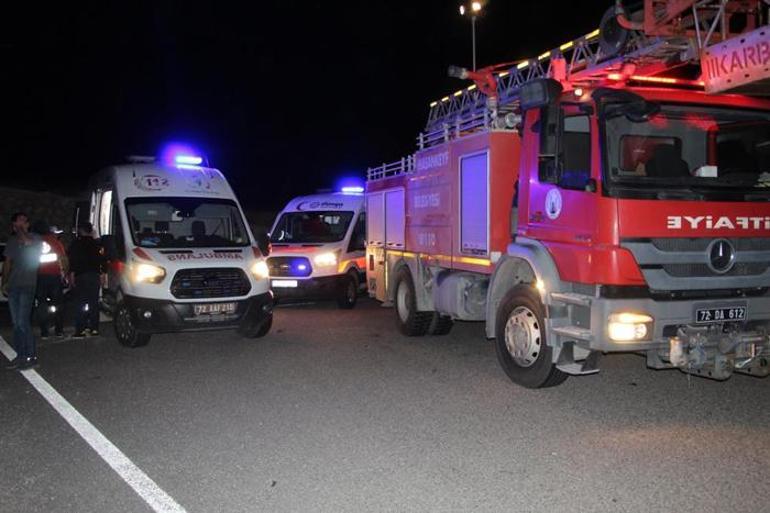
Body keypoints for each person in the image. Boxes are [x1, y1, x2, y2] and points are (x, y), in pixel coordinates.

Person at [3, 212, 42, 370]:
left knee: (22, 321)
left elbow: (26, 242)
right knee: (16, 323)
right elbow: (7, 263)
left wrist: (19, 229)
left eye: (25, 221)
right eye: (20, 221)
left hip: (28, 285)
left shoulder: (35, 239)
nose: (23, 223)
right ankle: (20, 355)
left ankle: (31, 356)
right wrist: (4, 282)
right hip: (13, 286)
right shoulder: (12, 241)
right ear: (13, 224)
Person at [32, 220, 68, 339]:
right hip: (54, 276)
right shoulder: (55, 242)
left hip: (40, 277)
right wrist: (65, 273)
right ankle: (59, 330)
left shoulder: (34, 242)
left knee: (41, 304)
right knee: (58, 304)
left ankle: (44, 331)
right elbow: (63, 259)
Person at [68, 222, 105, 338]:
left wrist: (71, 274)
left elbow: (72, 260)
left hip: (81, 275)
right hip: (94, 275)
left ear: (81, 231)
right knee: (94, 302)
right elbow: (102, 260)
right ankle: (94, 328)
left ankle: (80, 329)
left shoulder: (76, 244)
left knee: (80, 303)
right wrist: (103, 274)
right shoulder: (97, 244)